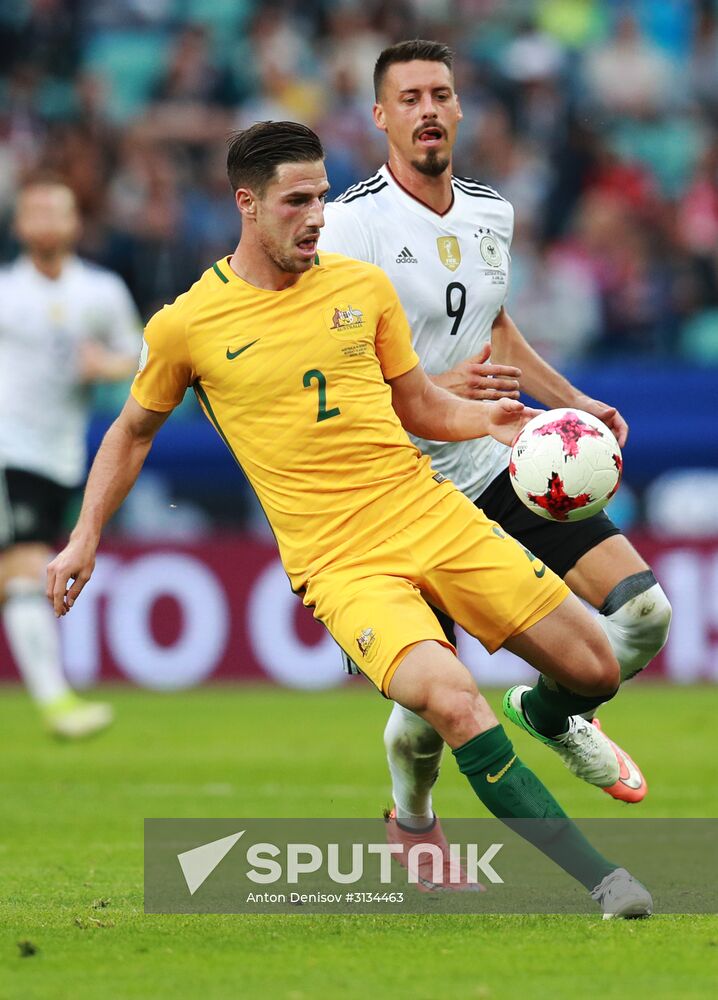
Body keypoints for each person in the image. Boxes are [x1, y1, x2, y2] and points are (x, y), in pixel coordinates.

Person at [47, 121, 652, 918]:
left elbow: (419, 405)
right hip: (342, 564)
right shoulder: (186, 325)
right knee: (454, 701)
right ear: (246, 204)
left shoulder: (362, 289)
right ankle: (603, 881)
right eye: (296, 201)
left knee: (597, 669)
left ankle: (520, 738)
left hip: (431, 514)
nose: (316, 217)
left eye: (322, 197)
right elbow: (131, 432)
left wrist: (490, 421)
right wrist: (85, 537)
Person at [319, 40, 671, 883]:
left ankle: (550, 714)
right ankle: (411, 816)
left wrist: (573, 400)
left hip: (489, 461)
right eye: (409, 97)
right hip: (397, 492)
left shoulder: (491, 212)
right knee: (426, 719)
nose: (428, 110)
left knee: (644, 614)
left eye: (440, 93)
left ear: (460, 107)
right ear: (380, 116)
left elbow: (496, 325)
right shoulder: (349, 226)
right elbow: (328, 368)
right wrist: (431, 387)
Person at [0, 177, 141, 738]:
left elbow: (138, 354)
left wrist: (106, 366)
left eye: (55, 210)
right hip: (9, 450)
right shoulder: (6, 291)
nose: (44, 220)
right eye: (34, 211)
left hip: (61, 455)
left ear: (75, 222)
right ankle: (58, 705)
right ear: (18, 226)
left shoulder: (100, 291)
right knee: (24, 567)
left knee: (15, 576)